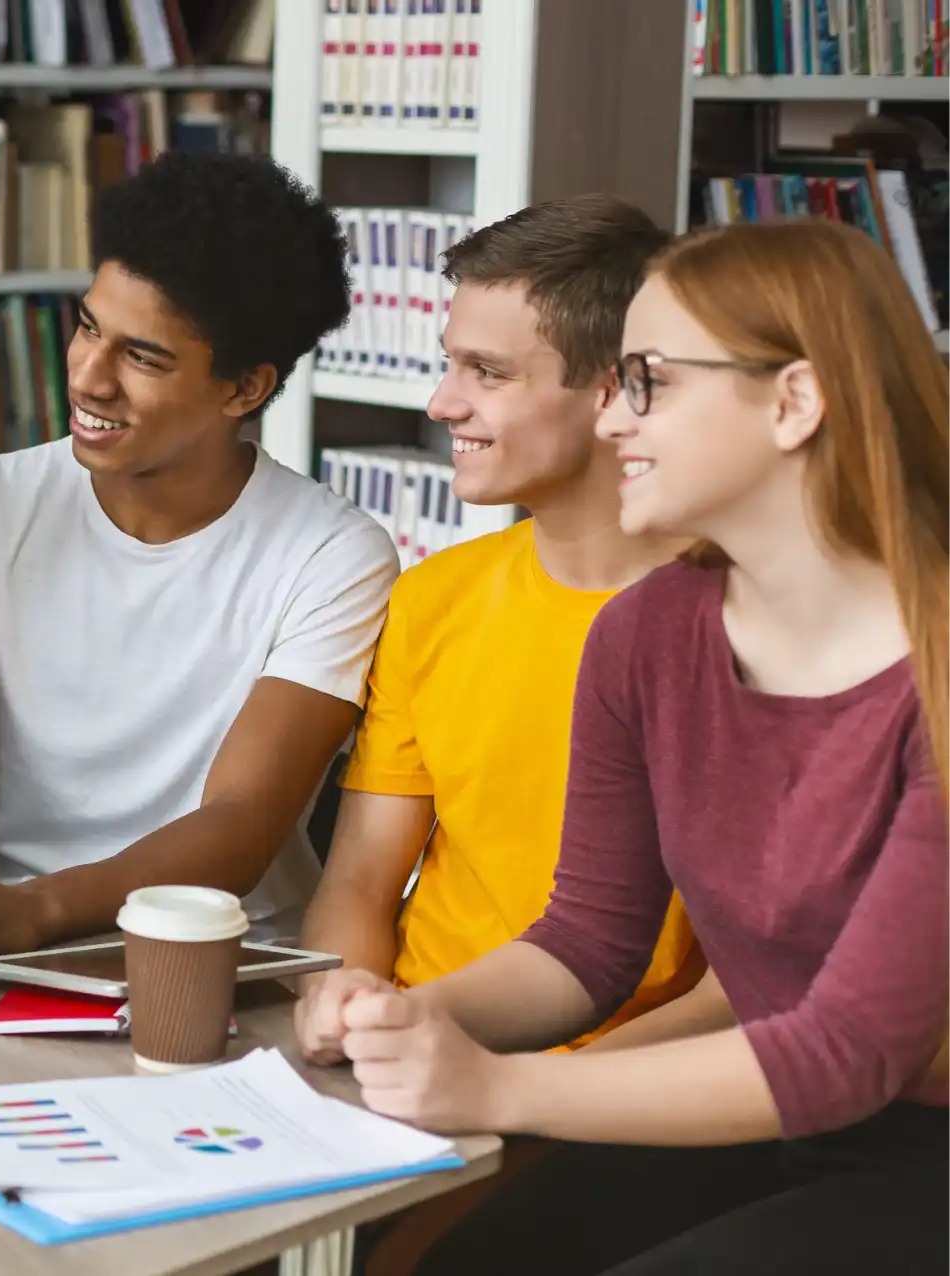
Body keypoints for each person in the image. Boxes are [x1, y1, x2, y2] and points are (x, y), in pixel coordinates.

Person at [333, 218, 950, 1275]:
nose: (610, 414)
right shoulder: (648, 633)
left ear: (793, 402)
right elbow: (586, 942)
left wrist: (496, 1089)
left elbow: (847, 1052)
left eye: (647, 381)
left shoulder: (929, 670)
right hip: (764, 1109)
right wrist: (395, 1019)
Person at [0, 150, 399, 969]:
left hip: (233, 961)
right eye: (87, 327)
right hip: (6, 952)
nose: (87, 376)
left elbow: (242, 820)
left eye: (142, 357)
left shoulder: (333, 555)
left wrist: (37, 907)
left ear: (244, 389)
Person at [296, 196, 706, 1071]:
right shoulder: (432, 599)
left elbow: (751, 988)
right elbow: (362, 881)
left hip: (630, 1088)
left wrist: (549, 1094)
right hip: (418, 1050)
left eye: (488, 372)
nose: (443, 403)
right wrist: (341, 1004)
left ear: (613, 389)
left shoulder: (738, 620)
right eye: (450, 364)